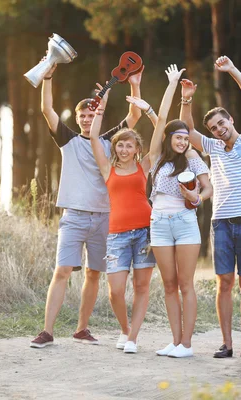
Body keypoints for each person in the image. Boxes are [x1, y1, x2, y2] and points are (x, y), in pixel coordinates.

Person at [29, 62, 144, 349]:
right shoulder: (67, 139)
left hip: (106, 218)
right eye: (82, 115)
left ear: (99, 115)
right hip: (75, 217)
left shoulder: (109, 140)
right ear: (78, 118)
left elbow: (135, 113)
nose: (86, 119)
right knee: (63, 271)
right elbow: (47, 109)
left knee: (94, 274)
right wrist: (49, 77)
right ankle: (47, 331)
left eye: (91, 114)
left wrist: (134, 82)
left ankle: (81, 329)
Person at [179, 55, 241, 361]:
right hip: (222, 223)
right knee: (225, 283)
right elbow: (186, 131)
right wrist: (186, 100)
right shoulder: (213, 147)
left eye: (222, 123)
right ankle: (227, 344)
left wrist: (231, 70)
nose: (219, 130)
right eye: (214, 127)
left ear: (231, 120)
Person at [130, 64, 213, 358]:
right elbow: (162, 118)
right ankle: (175, 340)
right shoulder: (156, 157)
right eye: (176, 137)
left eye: (184, 137)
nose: (181, 141)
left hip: (185, 221)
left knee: (186, 284)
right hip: (159, 222)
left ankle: (187, 344)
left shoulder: (191, 158)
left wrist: (196, 197)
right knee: (168, 284)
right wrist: (171, 85)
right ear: (168, 139)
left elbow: (208, 189)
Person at [88, 82, 157, 354]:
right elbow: (94, 139)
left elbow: (161, 134)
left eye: (129, 146)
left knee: (142, 287)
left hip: (145, 232)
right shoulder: (107, 170)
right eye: (120, 146)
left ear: (136, 149)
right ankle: (125, 329)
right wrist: (100, 106)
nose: (124, 150)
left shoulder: (145, 167)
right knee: (115, 291)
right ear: (115, 149)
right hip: (116, 234)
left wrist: (144, 101)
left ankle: (133, 338)